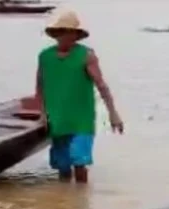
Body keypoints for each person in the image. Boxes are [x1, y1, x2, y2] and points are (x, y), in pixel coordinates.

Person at [36, 10, 123, 184]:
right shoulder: (45, 56)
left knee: (79, 159)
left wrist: (113, 113)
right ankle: (66, 204)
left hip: (81, 118)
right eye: (63, 32)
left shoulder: (86, 55)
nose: (67, 37)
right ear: (57, 34)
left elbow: (101, 85)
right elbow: (40, 86)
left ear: (76, 35)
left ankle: (82, 200)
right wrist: (43, 113)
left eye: (71, 33)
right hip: (57, 117)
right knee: (62, 164)